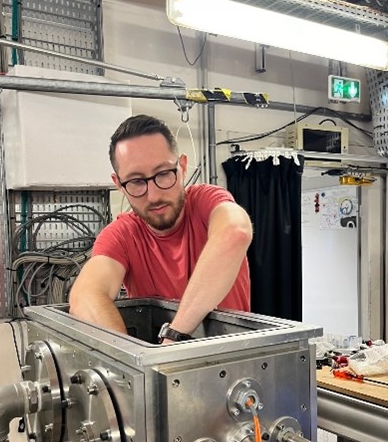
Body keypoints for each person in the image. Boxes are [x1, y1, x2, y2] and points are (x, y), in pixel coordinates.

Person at [69, 114, 252, 341]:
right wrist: (131, 357)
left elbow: (236, 232)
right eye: (136, 182)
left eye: (164, 174)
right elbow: (85, 294)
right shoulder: (122, 234)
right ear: (118, 184)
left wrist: (174, 336)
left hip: (230, 363)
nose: (154, 196)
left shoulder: (207, 202)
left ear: (182, 167)